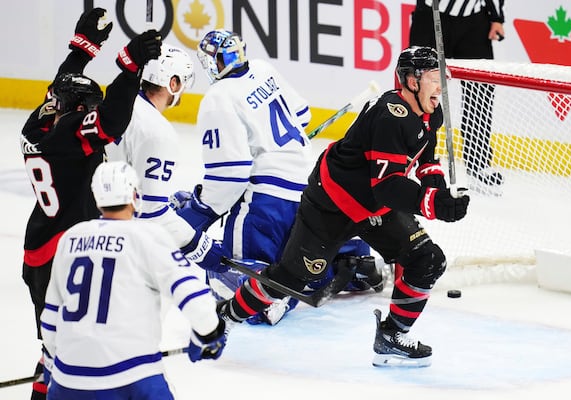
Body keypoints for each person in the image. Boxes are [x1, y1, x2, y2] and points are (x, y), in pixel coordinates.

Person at [217, 46, 470, 367]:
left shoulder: (431, 111)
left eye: (442, 79)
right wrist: (435, 205)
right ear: (411, 80)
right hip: (332, 205)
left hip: (373, 207)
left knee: (427, 259)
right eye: (435, 79)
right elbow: (389, 185)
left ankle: (392, 336)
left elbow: (427, 160)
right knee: (291, 279)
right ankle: (226, 315)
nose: (441, 88)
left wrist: (440, 193)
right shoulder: (391, 116)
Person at [171, 29, 382, 326]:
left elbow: (230, 175)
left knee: (222, 280)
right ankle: (350, 262)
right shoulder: (263, 69)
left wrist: (199, 209)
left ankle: (281, 297)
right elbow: (303, 115)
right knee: (300, 254)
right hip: (314, 189)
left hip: (269, 205)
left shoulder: (218, 97)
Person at [20, 7, 162, 399]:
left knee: (53, 346)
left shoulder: (41, 122)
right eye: (88, 106)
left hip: (40, 247)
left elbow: (61, 86)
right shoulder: (67, 135)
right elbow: (111, 121)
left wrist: (83, 47)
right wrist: (130, 67)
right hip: (62, 252)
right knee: (70, 348)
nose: (91, 111)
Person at [40, 161, 227, 399]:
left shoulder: (70, 238)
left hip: (68, 381)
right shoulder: (148, 236)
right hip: (131, 376)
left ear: (97, 198)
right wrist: (210, 334)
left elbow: (50, 319)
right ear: (134, 195)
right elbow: (194, 297)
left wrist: (57, 368)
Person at [105, 42, 223, 272]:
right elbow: (150, 213)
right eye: (183, 82)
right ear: (173, 82)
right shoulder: (157, 132)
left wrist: (163, 201)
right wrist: (198, 245)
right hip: (123, 247)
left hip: (93, 225)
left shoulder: (116, 106)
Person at [408, 0, 505, 194]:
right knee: (420, 88)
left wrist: (496, 16)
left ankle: (478, 164)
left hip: (474, 18)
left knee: (480, 90)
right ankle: (412, 158)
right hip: (432, 13)